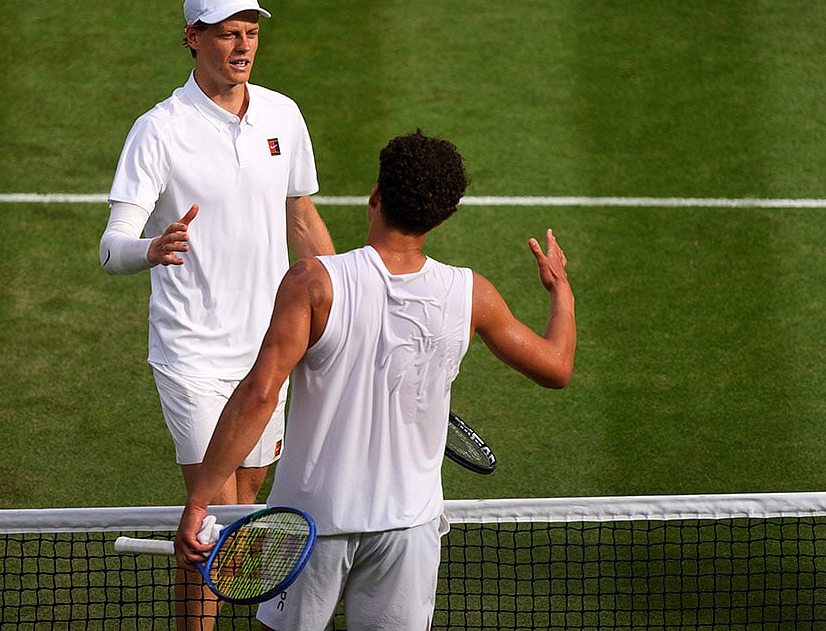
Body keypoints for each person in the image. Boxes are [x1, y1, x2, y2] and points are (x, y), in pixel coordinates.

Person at [173, 130, 577, 629]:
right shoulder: (472, 294)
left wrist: (200, 500)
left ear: (376, 195)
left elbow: (260, 395)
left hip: (309, 525)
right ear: (443, 216)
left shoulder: (312, 283)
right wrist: (561, 291)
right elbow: (557, 367)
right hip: (408, 529)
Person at [99, 0, 333, 507]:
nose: (244, 45)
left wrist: (350, 297)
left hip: (268, 351)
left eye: (250, 32)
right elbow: (112, 249)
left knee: (237, 518)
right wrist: (152, 248)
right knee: (220, 510)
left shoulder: (283, 115)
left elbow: (301, 218)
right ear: (193, 37)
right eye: (229, 33)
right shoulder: (158, 130)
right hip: (192, 355)